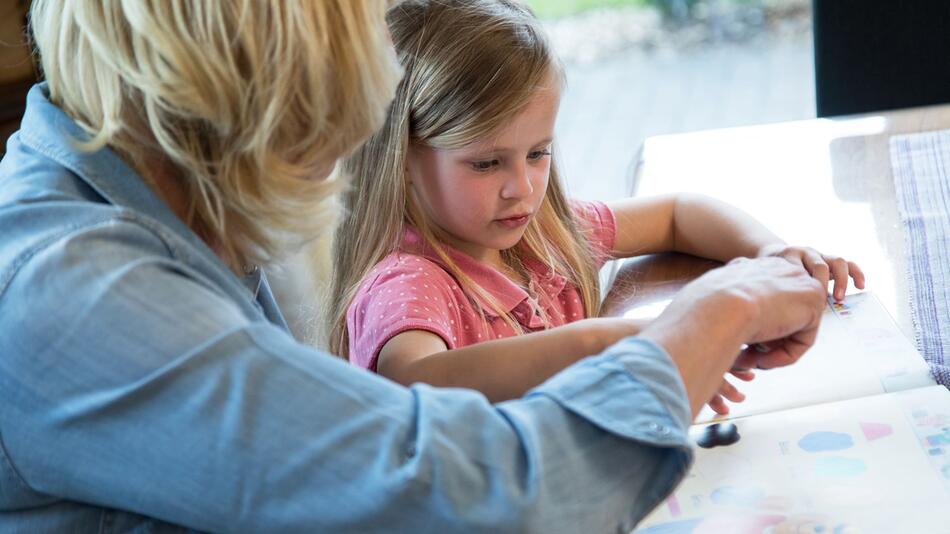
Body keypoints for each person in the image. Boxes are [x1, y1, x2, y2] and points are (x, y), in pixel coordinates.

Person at [0, 0, 827, 531]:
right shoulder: (79, 293)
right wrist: (713, 316)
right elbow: (478, 499)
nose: (350, 152)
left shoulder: (154, 208)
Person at [329, 0, 864, 412]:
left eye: (538, 153)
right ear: (400, 159)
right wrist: (624, 343)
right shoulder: (407, 281)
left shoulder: (541, 235)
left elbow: (679, 211)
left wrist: (770, 252)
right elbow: (417, 382)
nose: (523, 187)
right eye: (487, 163)